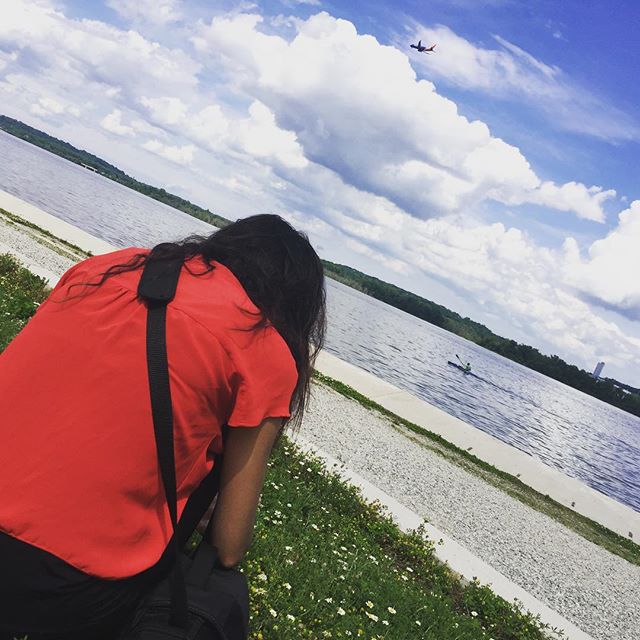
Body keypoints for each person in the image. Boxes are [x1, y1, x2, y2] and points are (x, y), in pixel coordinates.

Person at [0, 214, 326, 639]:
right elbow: (228, 547)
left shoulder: (107, 267)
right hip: (59, 585)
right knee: (222, 587)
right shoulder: (265, 350)